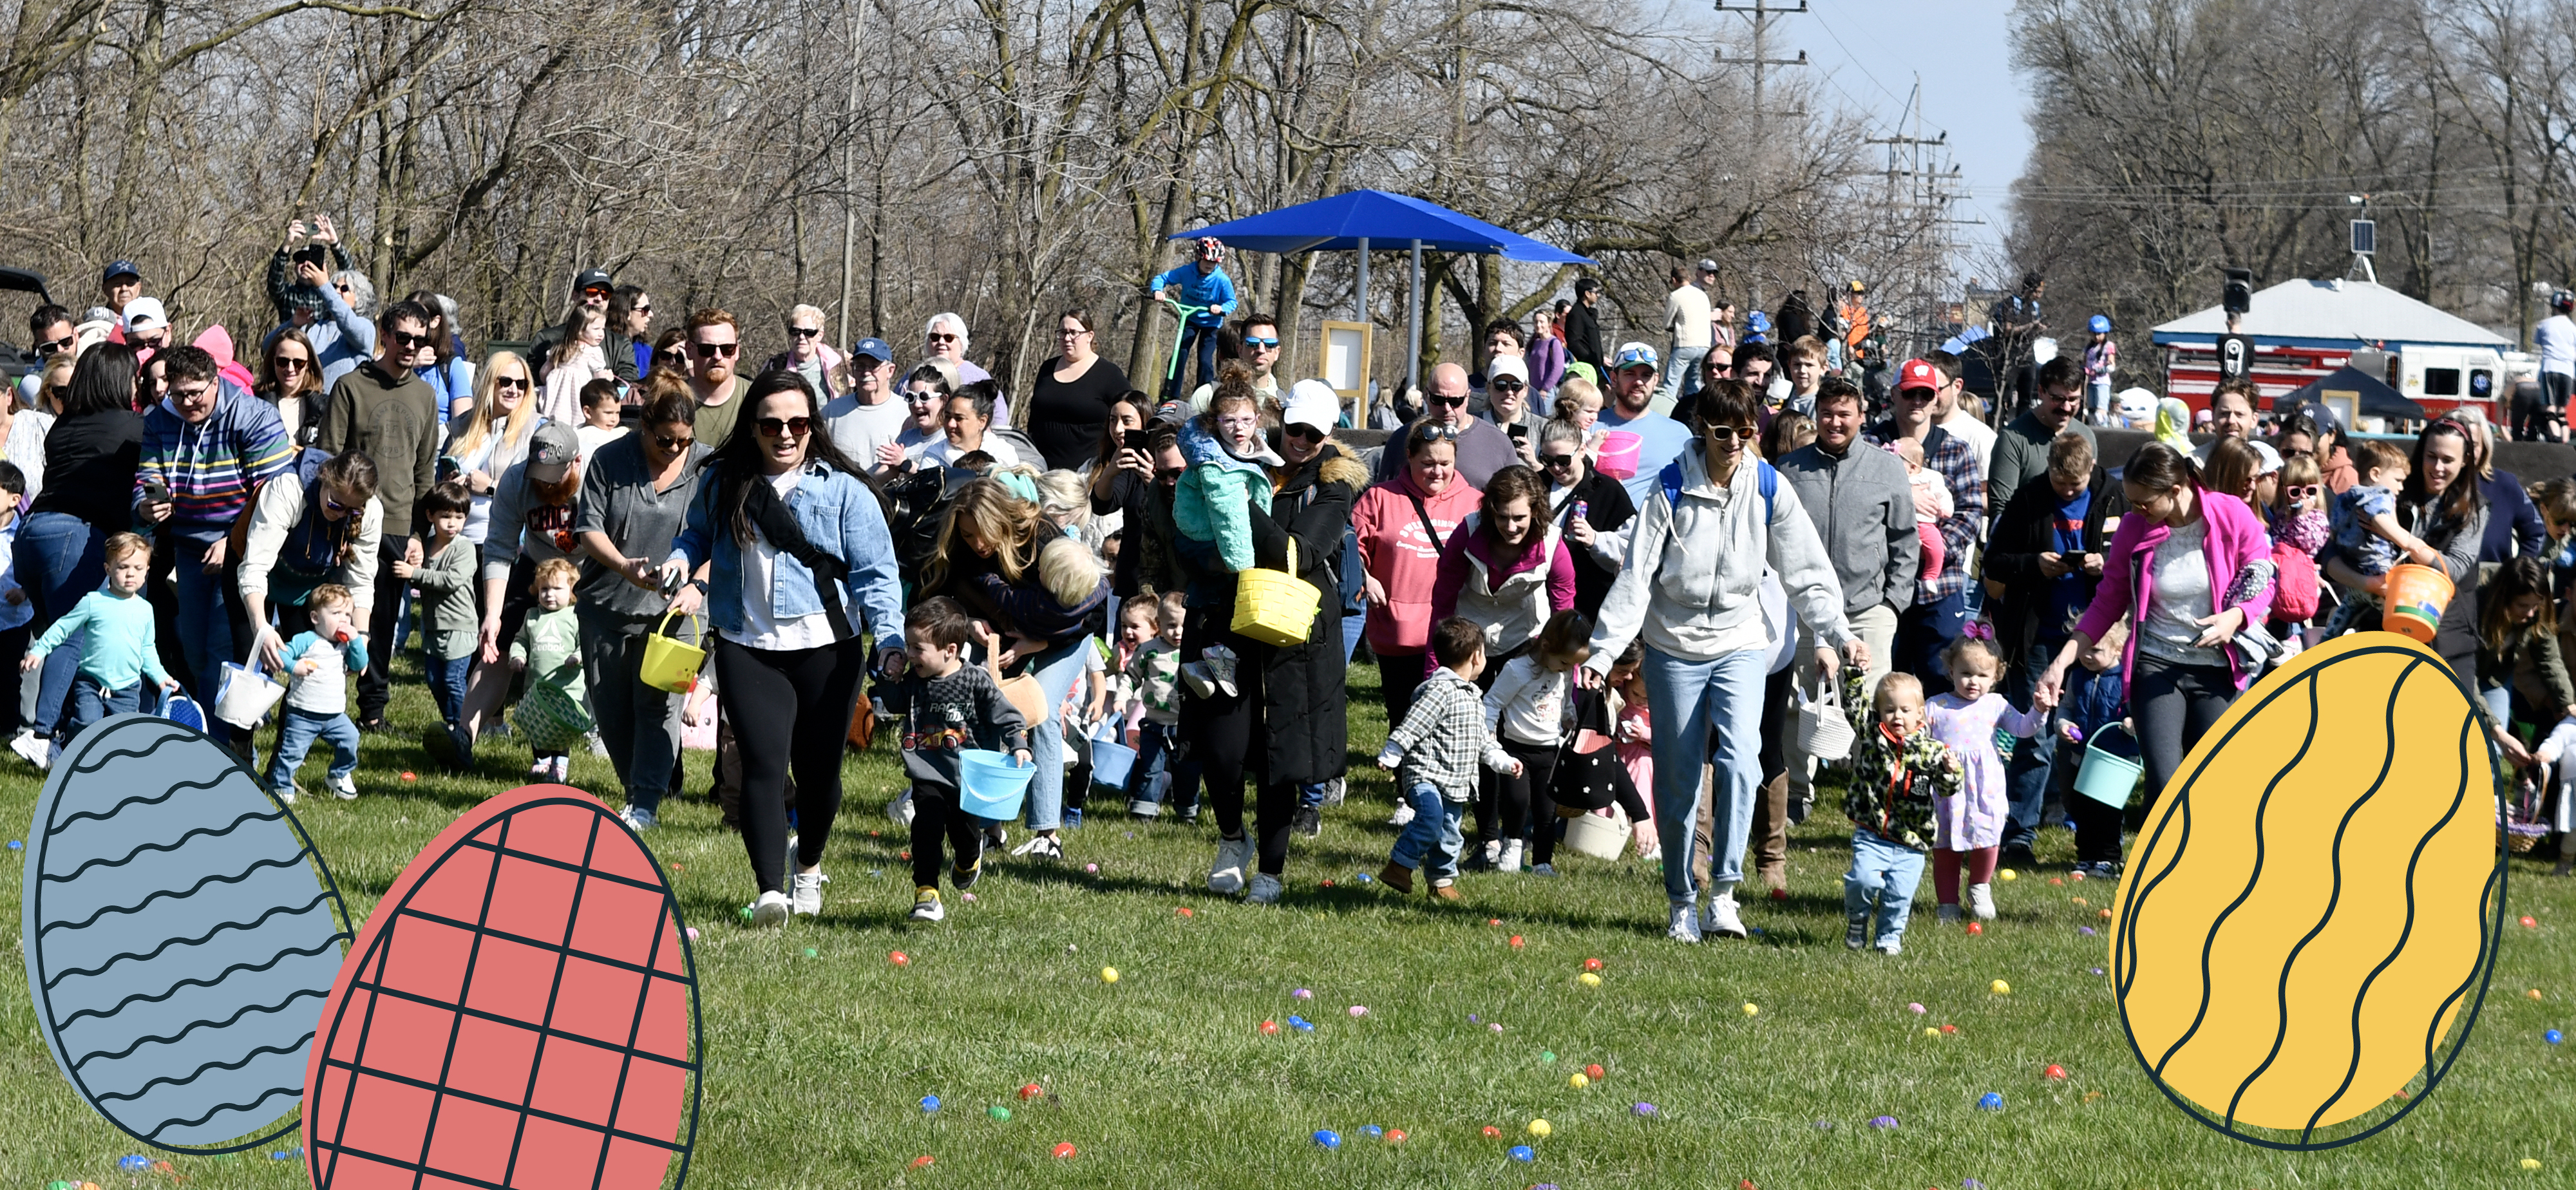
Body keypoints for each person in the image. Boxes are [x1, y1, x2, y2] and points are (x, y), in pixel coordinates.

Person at [1583, 381, 1866, 943]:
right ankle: (1681, 900)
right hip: (1673, 645)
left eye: (1746, 432)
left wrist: (1839, 630)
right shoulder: (1669, 487)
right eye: (1723, 432)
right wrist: (1604, 651)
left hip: (1741, 641)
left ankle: (1725, 895)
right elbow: (1637, 577)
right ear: (1702, 430)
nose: (1735, 443)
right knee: (1682, 773)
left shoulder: (1767, 486)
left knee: (1743, 761)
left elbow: (1806, 570)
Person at [664, 370, 906, 925]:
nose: (785, 434)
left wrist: (889, 638)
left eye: (797, 423)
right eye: (772, 424)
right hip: (747, 644)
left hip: (829, 646)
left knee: (819, 777)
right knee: (763, 767)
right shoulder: (726, 481)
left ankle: (809, 864)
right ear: (752, 428)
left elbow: (876, 573)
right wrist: (682, 559)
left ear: (812, 426)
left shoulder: (845, 489)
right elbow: (696, 534)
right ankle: (770, 890)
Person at [2034, 440, 2277, 815]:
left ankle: (2200, 867)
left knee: (2210, 782)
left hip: (2217, 669)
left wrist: (2236, 617)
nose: (2136, 511)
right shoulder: (2135, 528)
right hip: (2156, 664)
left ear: (2176, 490)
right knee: (2165, 783)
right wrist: (2062, 662)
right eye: (2132, 502)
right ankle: (2161, 866)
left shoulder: (2232, 514)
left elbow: (2263, 578)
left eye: (2145, 503)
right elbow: (2108, 600)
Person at [131, 344, 291, 744]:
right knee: (196, 653)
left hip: (242, 549)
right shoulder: (159, 422)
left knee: (223, 652)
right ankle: (210, 736)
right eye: (178, 394)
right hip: (188, 549)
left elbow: (275, 492)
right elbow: (145, 476)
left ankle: (220, 751)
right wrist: (146, 504)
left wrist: (231, 541)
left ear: (216, 382)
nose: (187, 403)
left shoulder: (253, 415)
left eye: (196, 393)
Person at [1776, 376, 1915, 827]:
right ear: (1816, 414)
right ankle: (1798, 793)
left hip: (1868, 606)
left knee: (1874, 703)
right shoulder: (1790, 470)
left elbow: (1905, 541)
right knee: (1801, 702)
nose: (1835, 422)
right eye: (1827, 413)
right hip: (1804, 606)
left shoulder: (1887, 468)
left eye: (1844, 414)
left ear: (1861, 416)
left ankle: (1872, 793)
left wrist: (1893, 603)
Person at [1986, 432, 2125, 869]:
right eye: (2060, 483)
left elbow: (2140, 556)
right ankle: (2021, 834)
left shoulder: (2113, 495)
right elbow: (1994, 560)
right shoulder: (2030, 498)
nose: (2067, 492)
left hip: (2099, 634)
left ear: (2091, 472)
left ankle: (2099, 840)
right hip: (2040, 633)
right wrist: (2034, 565)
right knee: (2037, 736)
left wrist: (2107, 562)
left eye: (2075, 486)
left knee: (2101, 735)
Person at [571, 392, 708, 827]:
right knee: (612, 712)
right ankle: (639, 789)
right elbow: (587, 528)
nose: (674, 450)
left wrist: (699, 587)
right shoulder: (610, 460)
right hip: (607, 604)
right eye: (665, 440)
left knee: (660, 707)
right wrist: (624, 566)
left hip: (678, 612)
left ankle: (646, 801)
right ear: (644, 428)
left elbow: (725, 538)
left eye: (683, 442)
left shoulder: (707, 466)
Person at [12, 344, 144, 768]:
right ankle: (41, 733)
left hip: (31, 533)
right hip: (73, 535)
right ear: (122, 380)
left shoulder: (63, 426)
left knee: (60, 634)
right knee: (77, 635)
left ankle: (65, 741)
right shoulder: (131, 426)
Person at [313, 299, 442, 731]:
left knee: (382, 622)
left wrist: (420, 534)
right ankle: (316, 701)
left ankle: (372, 711)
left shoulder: (425, 395)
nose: (410, 347)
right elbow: (328, 456)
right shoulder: (352, 386)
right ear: (383, 334)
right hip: (348, 518)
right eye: (402, 337)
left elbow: (426, 470)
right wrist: (335, 517)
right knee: (330, 613)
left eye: (419, 340)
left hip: (399, 523)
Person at [882, 596, 1032, 922]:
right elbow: (894, 703)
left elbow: (1005, 714)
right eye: (908, 646)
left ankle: (968, 858)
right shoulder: (915, 679)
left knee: (964, 835)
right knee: (925, 828)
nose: (910, 655)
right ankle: (926, 893)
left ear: (950, 651)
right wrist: (888, 677)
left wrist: (1018, 743)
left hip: (968, 779)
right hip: (927, 771)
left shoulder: (974, 680)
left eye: (917, 649)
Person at [1376, 616, 1520, 900]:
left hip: (1455, 783)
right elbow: (1413, 724)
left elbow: (1483, 742)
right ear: (1477, 656)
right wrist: (1393, 753)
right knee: (1431, 818)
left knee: (1450, 836)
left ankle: (1440, 883)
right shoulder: (1440, 691)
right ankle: (1399, 865)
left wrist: (1504, 762)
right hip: (1426, 776)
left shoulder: (1473, 698)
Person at [1353, 420, 1483, 732]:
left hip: (1455, 635)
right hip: (1397, 633)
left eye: (1445, 464)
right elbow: (1351, 548)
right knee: (1404, 721)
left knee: (1451, 725)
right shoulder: (1379, 498)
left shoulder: (1475, 502)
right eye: (1427, 463)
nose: (1437, 472)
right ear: (1409, 457)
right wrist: (1365, 577)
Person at [1870, 358, 1985, 691]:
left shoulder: (1956, 450)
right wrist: (1905, 499)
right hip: (1884, 588)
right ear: (1894, 395)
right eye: (1909, 393)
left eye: (1925, 393)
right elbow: (1860, 507)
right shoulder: (1871, 445)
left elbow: (1970, 514)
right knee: (1884, 686)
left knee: (1942, 684)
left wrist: (1929, 549)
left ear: (1937, 398)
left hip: (1942, 589)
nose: (1917, 401)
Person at [1835, 668, 1956, 956]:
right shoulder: (1871, 737)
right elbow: (1854, 708)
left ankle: (1889, 938)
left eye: (1905, 710)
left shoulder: (1932, 751)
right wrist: (1854, 676)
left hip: (1911, 840)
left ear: (1920, 715)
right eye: (1889, 710)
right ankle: (1857, 919)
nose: (1897, 716)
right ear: (1879, 712)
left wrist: (1950, 772)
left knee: (1899, 895)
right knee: (1862, 880)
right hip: (1872, 831)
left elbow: (1948, 788)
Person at [1925, 636, 2041, 923]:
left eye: (1982, 675)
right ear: (1951, 671)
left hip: (1984, 788)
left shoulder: (1995, 705)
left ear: (1996, 676)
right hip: (1947, 789)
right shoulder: (1936, 707)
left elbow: (2024, 729)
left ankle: (1980, 887)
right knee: (1946, 847)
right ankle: (1947, 904)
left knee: (1987, 839)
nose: (1973, 681)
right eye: (1965, 673)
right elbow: (1918, 741)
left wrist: (2039, 710)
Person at [21, 531, 173, 744]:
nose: (131, 574)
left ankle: (110, 770)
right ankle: (70, 750)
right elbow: (63, 628)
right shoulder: (93, 601)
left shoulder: (146, 610)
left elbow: (147, 648)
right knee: (87, 724)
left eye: (138, 568)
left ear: (147, 570)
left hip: (128, 688)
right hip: (91, 682)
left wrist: (160, 676)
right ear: (108, 569)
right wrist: (39, 650)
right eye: (123, 567)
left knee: (124, 737)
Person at [238, 452, 384, 669]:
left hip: (308, 582)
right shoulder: (288, 488)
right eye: (336, 505)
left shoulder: (371, 511)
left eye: (352, 510)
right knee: (250, 660)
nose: (341, 515)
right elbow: (255, 567)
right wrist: (261, 626)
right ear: (325, 476)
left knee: (317, 662)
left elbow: (361, 580)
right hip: (256, 574)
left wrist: (362, 634)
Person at [1428, 464, 1573, 670]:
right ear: (1491, 511)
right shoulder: (1468, 532)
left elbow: (1565, 619)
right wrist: (1434, 671)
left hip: (1525, 638)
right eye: (1502, 517)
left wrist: (1570, 679)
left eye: (1519, 518)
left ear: (1534, 511)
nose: (1511, 527)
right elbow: (1443, 605)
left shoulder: (1552, 544)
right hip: (1470, 638)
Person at [1481, 609, 1591, 874]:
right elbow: (1493, 701)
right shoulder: (1517, 671)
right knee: (1517, 802)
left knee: (1546, 811)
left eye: (1572, 665)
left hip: (1550, 751)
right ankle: (1512, 848)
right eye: (1565, 663)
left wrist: (1569, 715)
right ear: (1546, 647)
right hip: (1517, 751)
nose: (1567, 670)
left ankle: (1543, 861)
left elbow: (1564, 699)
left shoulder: (1562, 672)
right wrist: (1488, 735)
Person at [259, 582, 367, 804]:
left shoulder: (345, 646)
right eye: (336, 613)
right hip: (303, 714)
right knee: (292, 752)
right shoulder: (307, 640)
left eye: (348, 614)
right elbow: (283, 655)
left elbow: (360, 663)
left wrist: (356, 639)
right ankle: (281, 785)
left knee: (351, 739)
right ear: (316, 618)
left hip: (335, 715)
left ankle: (338, 774)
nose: (344, 620)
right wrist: (295, 667)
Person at [443, 350, 541, 551]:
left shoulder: (538, 429)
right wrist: (450, 486)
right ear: (490, 382)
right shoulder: (460, 427)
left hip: (510, 545)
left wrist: (490, 487)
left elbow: (540, 492)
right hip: (457, 545)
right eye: (506, 381)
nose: (514, 390)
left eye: (521, 384)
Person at [404, 482, 477, 746]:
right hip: (432, 625)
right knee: (434, 681)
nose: (452, 524)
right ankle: (451, 723)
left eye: (459, 518)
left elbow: (452, 580)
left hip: (460, 625)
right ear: (430, 516)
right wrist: (413, 574)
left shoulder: (465, 548)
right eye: (445, 516)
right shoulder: (426, 546)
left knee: (453, 681)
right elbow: (421, 582)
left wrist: (415, 574)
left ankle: (463, 732)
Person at [1537, 418, 1634, 611]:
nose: (1556, 468)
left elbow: (1632, 548)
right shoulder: (1535, 485)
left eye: (1564, 460)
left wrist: (1596, 539)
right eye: (1547, 460)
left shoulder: (1608, 490)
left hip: (1590, 600)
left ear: (1582, 451)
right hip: (1540, 596)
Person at [509, 556, 590, 782]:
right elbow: (521, 640)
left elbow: (584, 642)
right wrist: (518, 655)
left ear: (572, 590)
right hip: (537, 685)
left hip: (566, 687)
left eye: (557, 588)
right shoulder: (532, 616)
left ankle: (560, 765)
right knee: (537, 725)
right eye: (544, 589)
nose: (549, 594)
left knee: (559, 729)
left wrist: (577, 656)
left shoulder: (574, 616)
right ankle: (541, 760)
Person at [1374, 363, 1517, 489]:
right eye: (1438, 400)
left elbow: (1513, 500)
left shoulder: (1498, 442)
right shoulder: (1402, 439)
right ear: (1426, 395)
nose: (1447, 408)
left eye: (1456, 401)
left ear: (1467, 397)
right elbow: (1385, 497)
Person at [1026, 308, 1132, 469]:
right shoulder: (1047, 369)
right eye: (1063, 332)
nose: (1067, 338)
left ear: (1090, 336)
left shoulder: (1109, 374)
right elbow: (1034, 419)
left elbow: (1131, 414)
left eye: (1074, 333)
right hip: (1040, 468)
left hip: (1086, 472)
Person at [1119, 593, 1193, 819]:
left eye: (1184, 625)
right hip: (1153, 723)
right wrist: (1121, 697)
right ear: (1158, 625)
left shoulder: (1194, 650)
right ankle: (1144, 810)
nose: (1178, 632)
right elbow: (1130, 676)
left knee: (1186, 772)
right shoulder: (1149, 650)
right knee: (1150, 769)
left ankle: (1187, 811)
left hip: (1185, 725)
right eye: (1171, 626)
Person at [1988, 357, 2096, 507]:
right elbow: (2001, 508)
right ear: (2041, 392)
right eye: (2058, 399)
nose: (2066, 407)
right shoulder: (2013, 439)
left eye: (2073, 400)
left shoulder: (2086, 436)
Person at [1595, 344, 1694, 506]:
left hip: (1657, 528)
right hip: (1596, 527)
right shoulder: (1589, 425)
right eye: (1629, 374)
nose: (1639, 382)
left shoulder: (1679, 434)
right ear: (1614, 379)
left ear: (1655, 380)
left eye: (1646, 375)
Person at [1148, 238, 1236, 400]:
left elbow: (1232, 302)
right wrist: (1158, 291)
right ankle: (1170, 396)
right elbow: (1162, 279)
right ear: (1198, 257)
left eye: (1214, 262)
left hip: (1211, 324)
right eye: (1207, 261)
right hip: (1189, 319)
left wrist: (1222, 309)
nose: (1210, 265)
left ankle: (1203, 397)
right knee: (1179, 355)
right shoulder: (1187, 271)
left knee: (1204, 359)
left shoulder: (1222, 280)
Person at [529, 269, 638, 382]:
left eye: (606, 295)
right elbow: (533, 380)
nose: (599, 299)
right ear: (575, 296)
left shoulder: (620, 345)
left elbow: (627, 382)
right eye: (592, 292)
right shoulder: (546, 339)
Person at [822, 336, 905, 468]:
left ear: (890, 371)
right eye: (860, 367)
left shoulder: (906, 412)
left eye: (874, 367)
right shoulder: (833, 412)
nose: (866, 373)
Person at [682, 308, 752, 448]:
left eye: (727, 349)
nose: (718, 356)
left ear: (737, 351)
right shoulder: (669, 400)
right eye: (707, 349)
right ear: (689, 350)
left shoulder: (756, 399)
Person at [402, 291, 475, 426]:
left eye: (420, 317)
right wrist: (409, 364)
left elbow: (462, 424)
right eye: (407, 316)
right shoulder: (395, 360)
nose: (412, 322)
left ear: (435, 321)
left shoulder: (450, 364)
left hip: (440, 443)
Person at [911, 382, 1018, 469]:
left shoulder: (1003, 455)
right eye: (947, 417)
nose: (950, 424)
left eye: (959, 418)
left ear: (982, 421)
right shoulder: (934, 455)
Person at [540, 307, 612, 426]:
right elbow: (600, 383)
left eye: (603, 329)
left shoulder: (560, 348)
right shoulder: (593, 352)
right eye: (596, 329)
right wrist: (608, 379)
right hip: (577, 401)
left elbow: (543, 373)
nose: (601, 334)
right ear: (579, 330)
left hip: (554, 401)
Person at [1658, 265, 1714, 415]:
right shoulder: (1703, 295)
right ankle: (1693, 415)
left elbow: (1666, 323)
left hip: (1684, 345)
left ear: (1674, 280)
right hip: (1704, 345)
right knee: (1693, 385)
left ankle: (1666, 414)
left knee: (1671, 385)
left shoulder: (1676, 295)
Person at [762, 305, 844, 402]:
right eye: (796, 331)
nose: (801, 337)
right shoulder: (774, 366)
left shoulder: (839, 364)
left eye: (809, 332)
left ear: (820, 336)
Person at [258, 328, 324, 448]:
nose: (290, 368)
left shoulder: (324, 407)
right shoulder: (255, 403)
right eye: (282, 361)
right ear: (273, 361)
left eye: (299, 363)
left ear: (308, 364)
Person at [1564, 278, 1606, 380]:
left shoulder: (1589, 314)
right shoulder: (1576, 314)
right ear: (1587, 294)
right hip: (1585, 370)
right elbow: (1574, 342)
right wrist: (1589, 358)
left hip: (1596, 368)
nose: (1598, 295)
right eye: (1596, 292)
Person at [611, 285, 655, 378]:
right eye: (645, 310)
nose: (651, 315)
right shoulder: (603, 348)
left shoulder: (649, 354)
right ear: (628, 313)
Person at [2083, 315, 2117, 424]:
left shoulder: (2109, 345)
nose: (2096, 337)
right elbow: (2085, 362)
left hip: (2102, 382)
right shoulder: (2089, 348)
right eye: (2094, 334)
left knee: (2100, 413)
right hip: (2090, 382)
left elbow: (2112, 366)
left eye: (2099, 334)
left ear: (2105, 333)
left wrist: (2100, 370)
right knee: (2091, 412)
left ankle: (2104, 431)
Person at [1526, 310, 1566, 399]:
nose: (1538, 325)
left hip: (1547, 393)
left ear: (1549, 323)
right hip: (1533, 391)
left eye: (1542, 322)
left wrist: (1546, 389)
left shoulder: (1554, 343)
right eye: (1536, 322)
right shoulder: (1535, 343)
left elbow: (1558, 368)